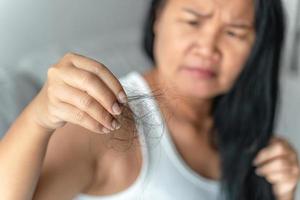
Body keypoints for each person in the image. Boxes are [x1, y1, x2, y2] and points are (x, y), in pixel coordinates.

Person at [0, 0, 299, 199]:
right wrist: (38, 118)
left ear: (258, 50)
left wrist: (281, 194)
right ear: (158, 18)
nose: (208, 48)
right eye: (193, 21)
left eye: (233, 33)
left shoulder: (245, 139)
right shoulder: (109, 121)